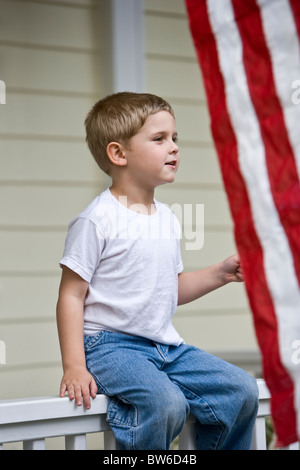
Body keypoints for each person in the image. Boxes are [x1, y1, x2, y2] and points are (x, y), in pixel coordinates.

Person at [56, 92, 258, 450]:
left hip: (165, 346)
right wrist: (74, 365)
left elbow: (169, 289)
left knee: (240, 390)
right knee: (165, 403)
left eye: (175, 138)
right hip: (109, 347)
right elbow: (71, 296)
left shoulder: (166, 217)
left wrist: (221, 273)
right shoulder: (96, 220)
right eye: (159, 139)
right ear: (118, 154)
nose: (174, 148)